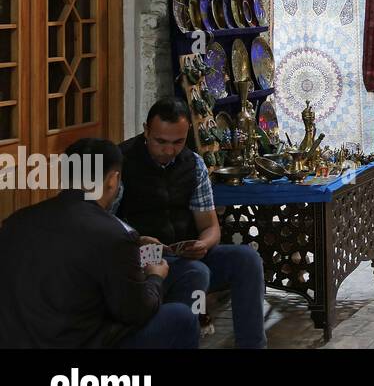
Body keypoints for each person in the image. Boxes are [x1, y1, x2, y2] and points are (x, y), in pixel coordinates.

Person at [0, 138, 199, 348]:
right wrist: (155, 277)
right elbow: (136, 311)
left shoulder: (15, 221)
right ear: (113, 180)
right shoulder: (112, 234)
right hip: (74, 352)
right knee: (181, 316)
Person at [117, 98, 267, 348]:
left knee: (247, 260)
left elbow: (210, 226)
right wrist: (136, 240)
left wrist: (203, 244)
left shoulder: (194, 163)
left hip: (185, 253)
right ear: (146, 131)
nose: (169, 150)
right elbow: (102, 223)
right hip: (141, 257)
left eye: (178, 142)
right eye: (160, 142)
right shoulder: (122, 161)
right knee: (197, 272)